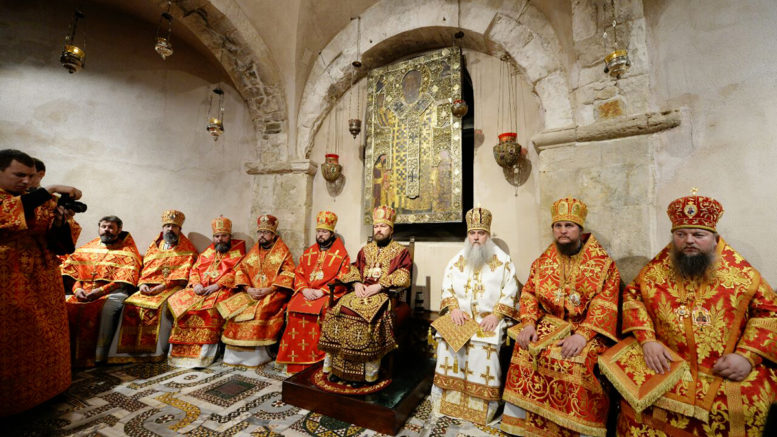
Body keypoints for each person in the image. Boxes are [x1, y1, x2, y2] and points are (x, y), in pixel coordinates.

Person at [616, 191, 777, 436]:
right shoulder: (655, 270)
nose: (688, 240)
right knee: (635, 403)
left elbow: (770, 312)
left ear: (714, 238)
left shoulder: (742, 275)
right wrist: (647, 340)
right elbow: (632, 297)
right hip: (668, 363)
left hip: (724, 368)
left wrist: (746, 357)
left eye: (698, 235)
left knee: (750, 405)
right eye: (681, 234)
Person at [501, 197, 620, 437]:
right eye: (558, 226)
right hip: (549, 325)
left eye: (569, 226)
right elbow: (529, 292)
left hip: (587, 330)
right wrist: (528, 323)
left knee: (578, 360)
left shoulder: (602, 264)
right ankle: (525, 427)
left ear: (580, 229)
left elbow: (605, 305)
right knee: (524, 349)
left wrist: (582, 336)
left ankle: (578, 431)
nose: (563, 231)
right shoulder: (544, 260)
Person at [0, 149, 82, 416]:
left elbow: (63, 245)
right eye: (19, 175)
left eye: (30, 175)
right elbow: (8, 215)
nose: (26, 181)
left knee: (47, 334)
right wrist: (51, 189)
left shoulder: (40, 200)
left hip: (44, 279)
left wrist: (60, 222)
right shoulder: (28, 198)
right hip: (9, 279)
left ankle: (50, 388)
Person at [430, 207, 519, 425]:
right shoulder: (457, 260)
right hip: (460, 319)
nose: (476, 237)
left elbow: (510, 292)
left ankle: (482, 408)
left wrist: (497, 316)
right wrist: (454, 309)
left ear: (487, 234)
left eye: (481, 233)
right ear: (468, 235)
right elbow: (447, 288)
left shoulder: (503, 261)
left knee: (484, 345)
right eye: (472, 233)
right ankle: (448, 403)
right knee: (445, 342)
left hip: (488, 320)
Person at [318, 205, 412, 386]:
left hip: (383, 295)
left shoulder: (401, 252)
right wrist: (356, 284)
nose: (378, 230)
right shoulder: (365, 250)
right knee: (337, 311)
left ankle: (363, 374)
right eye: (376, 226)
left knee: (365, 318)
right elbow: (353, 269)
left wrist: (380, 286)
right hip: (360, 292)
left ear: (391, 230)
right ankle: (338, 369)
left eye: (383, 226)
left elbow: (403, 275)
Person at [107, 210, 198, 363]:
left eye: (174, 226)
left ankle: (155, 351)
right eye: (167, 226)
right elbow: (146, 269)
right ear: (163, 228)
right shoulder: (154, 247)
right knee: (129, 305)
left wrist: (163, 286)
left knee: (159, 308)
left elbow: (183, 276)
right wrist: (142, 284)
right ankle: (125, 353)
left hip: (172, 287)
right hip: (149, 286)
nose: (170, 229)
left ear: (179, 229)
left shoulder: (187, 249)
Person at [276, 210, 351, 373]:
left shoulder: (341, 254)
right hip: (307, 292)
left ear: (332, 233)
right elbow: (299, 273)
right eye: (318, 231)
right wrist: (304, 290)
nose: (320, 235)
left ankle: (319, 359)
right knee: (292, 308)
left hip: (326, 294)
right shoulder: (309, 252)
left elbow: (343, 276)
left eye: (324, 232)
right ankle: (294, 360)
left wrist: (322, 291)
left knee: (324, 310)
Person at [62, 215, 142, 368]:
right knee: (64, 305)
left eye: (111, 227)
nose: (106, 230)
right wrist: (77, 289)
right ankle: (67, 352)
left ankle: (100, 355)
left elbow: (122, 281)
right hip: (83, 291)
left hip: (113, 292)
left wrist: (100, 291)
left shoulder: (128, 251)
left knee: (107, 310)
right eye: (103, 226)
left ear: (119, 230)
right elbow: (72, 273)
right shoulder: (87, 248)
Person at [216, 214, 295, 367]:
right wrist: (248, 288)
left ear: (273, 234)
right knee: (236, 311)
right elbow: (241, 270)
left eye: (266, 232)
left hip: (273, 292)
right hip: (251, 292)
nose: (262, 236)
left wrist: (270, 289)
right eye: (260, 232)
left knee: (259, 311)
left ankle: (258, 356)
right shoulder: (254, 250)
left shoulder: (283, 251)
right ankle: (234, 357)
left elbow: (289, 272)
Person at [167, 216, 246, 368]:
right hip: (200, 289)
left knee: (209, 309)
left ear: (229, 236)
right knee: (183, 306)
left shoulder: (238, 252)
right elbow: (195, 269)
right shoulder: (207, 252)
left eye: (224, 236)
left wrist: (217, 285)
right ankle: (179, 354)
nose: (220, 239)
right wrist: (196, 284)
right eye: (217, 236)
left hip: (222, 290)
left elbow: (237, 272)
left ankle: (204, 355)